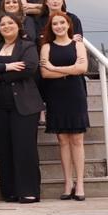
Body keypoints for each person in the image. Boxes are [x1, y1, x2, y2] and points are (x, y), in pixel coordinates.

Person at [0, 13, 43, 203]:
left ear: (18, 25)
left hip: (24, 105)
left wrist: (0, 75)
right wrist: (7, 67)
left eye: (10, 23)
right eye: (3, 24)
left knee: (25, 148)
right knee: (4, 148)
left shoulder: (27, 45)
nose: (6, 26)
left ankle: (29, 191)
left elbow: (29, 68)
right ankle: (10, 191)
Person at [40, 13, 89, 201]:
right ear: (51, 27)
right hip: (56, 96)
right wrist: (69, 70)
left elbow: (82, 69)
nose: (59, 26)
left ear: (68, 25)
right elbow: (45, 74)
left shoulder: (78, 45)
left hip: (75, 95)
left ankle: (80, 184)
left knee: (77, 139)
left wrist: (55, 68)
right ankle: (68, 183)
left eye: (62, 23)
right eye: (55, 23)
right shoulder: (46, 47)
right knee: (62, 140)